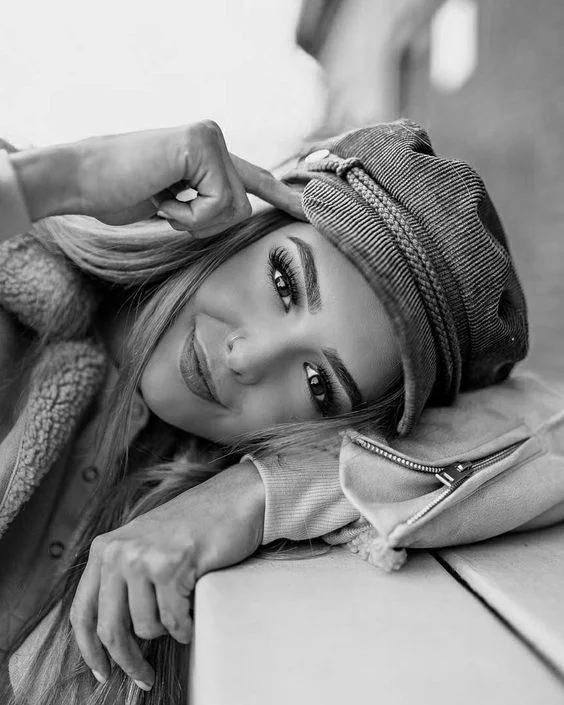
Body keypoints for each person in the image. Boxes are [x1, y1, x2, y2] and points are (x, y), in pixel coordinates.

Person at [0, 118, 527, 705]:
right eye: (284, 281)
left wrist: (253, 495)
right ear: (246, 224)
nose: (248, 357)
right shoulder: (14, 295)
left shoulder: (185, 487)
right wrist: (62, 180)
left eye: (318, 383)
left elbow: (540, 435)